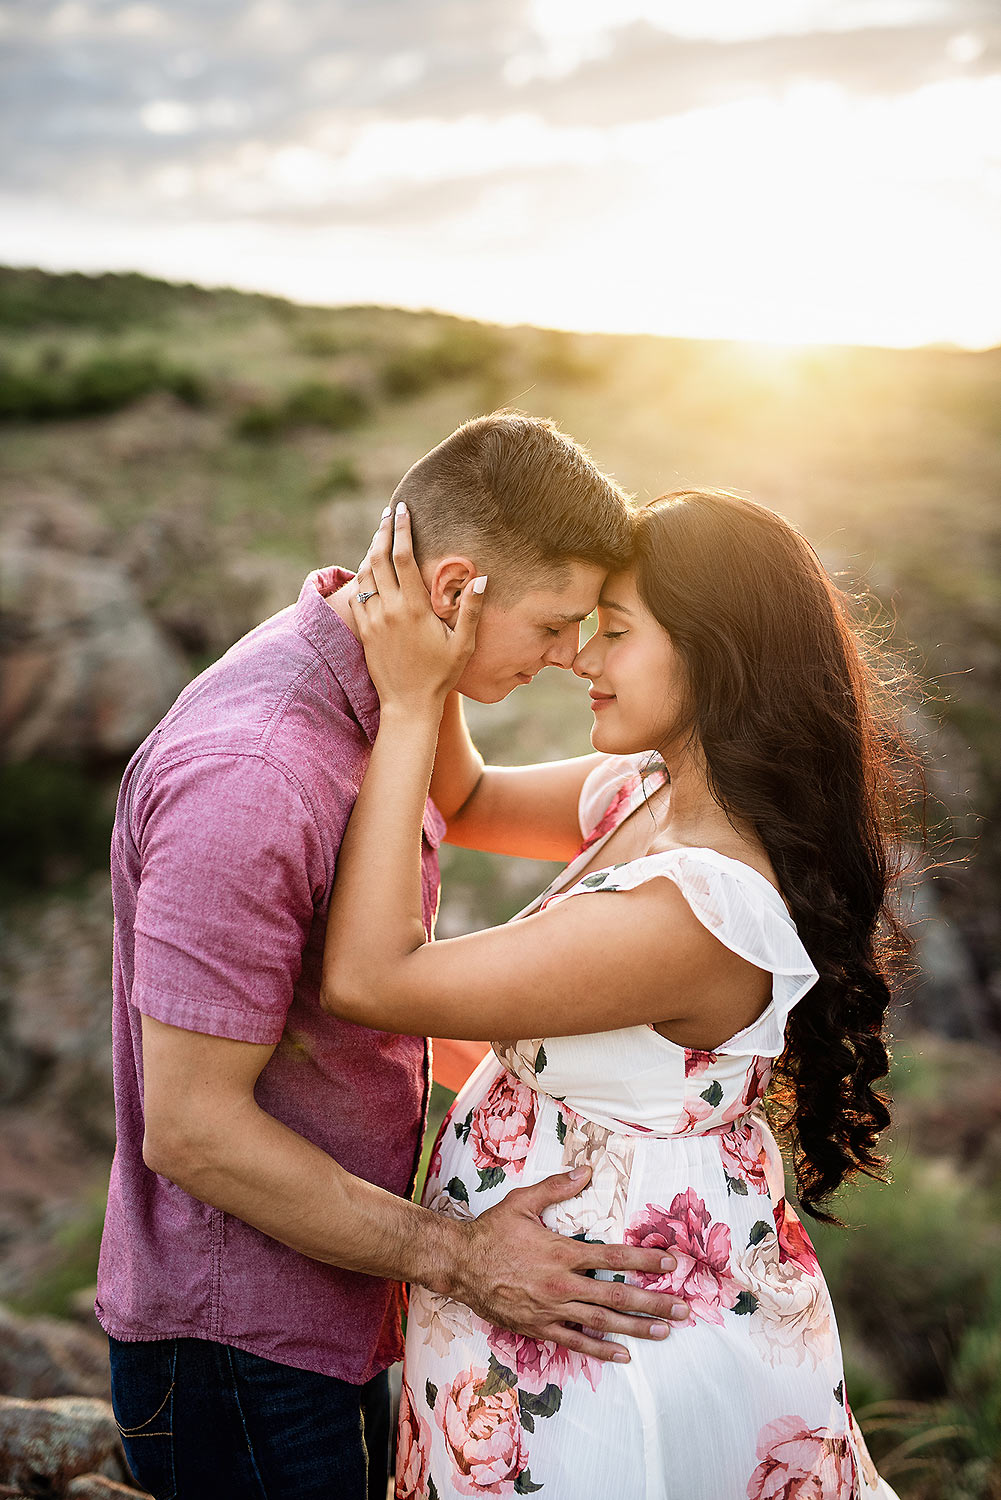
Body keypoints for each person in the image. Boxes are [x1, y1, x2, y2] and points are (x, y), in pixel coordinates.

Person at [95, 413, 691, 1500]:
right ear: (456, 590)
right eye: (555, 624)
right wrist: (461, 1258)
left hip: (330, 1300)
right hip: (237, 1348)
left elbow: (457, 803)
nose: (566, 657)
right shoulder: (256, 775)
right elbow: (192, 1128)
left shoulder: (378, 703)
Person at [321, 488, 913, 1499]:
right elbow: (462, 799)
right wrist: (451, 624)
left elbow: (372, 979)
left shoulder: (693, 911)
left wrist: (413, 700)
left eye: (616, 633)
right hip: (544, 1318)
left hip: (604, 1362)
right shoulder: (649, 789)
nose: (581, 659)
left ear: (710, 654)